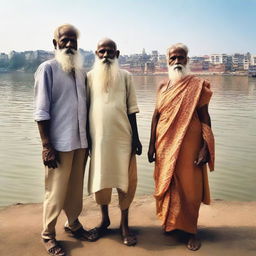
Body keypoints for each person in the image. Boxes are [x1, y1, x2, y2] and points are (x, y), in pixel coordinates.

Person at [34, 24, 98, 256]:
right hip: (59, 144)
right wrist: (46, 146)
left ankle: (73, 224)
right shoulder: (47, 69)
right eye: (65, 40)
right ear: (55, 44)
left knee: (74, 190)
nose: (70, 44)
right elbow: (41, 112)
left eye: (73, 41)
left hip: (80, 143)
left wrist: (89, 142)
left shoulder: (80, 72)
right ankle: (48, 235)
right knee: (55, 192)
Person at [148, 43, 215, 251]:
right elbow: (156, 117)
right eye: (173, 58)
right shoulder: (162, 87)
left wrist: (206, 147)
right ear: (167, 61)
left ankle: (191, 231)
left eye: (181, 58)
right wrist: (151, 145)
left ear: (187, 60)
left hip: (190, 146)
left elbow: (205, 118)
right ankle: (172, 223)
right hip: (164, 145)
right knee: (168, 185)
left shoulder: (197, 85)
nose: (177, 62)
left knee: (190, 189)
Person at [87, 38, 142, 246]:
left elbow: (132, 109)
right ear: (96, 53)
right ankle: (104, 220)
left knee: (125, 182)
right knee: (100, 181)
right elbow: (85, 110)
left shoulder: (126, 76)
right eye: (102, 52)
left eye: (110, 52)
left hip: (123, 138)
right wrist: (87, 139)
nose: (106, 55)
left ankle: (124, 224)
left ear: (117, 54)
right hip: (98, 140)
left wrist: (136, 138)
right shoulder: (89, 77)